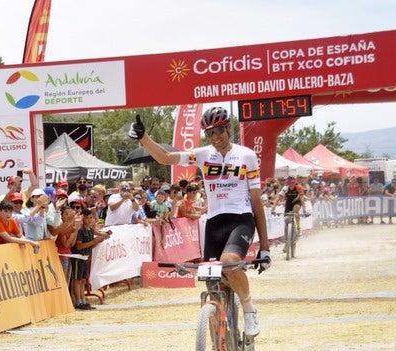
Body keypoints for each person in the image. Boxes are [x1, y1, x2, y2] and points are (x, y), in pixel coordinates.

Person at [129, 107, 271, 337]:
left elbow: (256, 200)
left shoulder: (246, 155)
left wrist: (264, 247)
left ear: (227, 128)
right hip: (214, 222)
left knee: (229, 262)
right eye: (210, 133)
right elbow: (167, 158)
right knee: (212, 283)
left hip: (241, 218)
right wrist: (144, 137)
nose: (215, 137)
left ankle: (249, 308)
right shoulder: (204, 154)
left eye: (219, 131)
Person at [72, 208, 110, 310]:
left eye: (91, 218)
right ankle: (79, 302)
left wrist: (98, 240)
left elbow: (90, 245)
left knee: (83, 280)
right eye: (87, 218)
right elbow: (79, 246)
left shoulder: (90, 230)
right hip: (78, 257)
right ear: (83, 218)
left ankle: (83, 300)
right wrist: (94, 241)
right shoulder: (80, 231)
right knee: (77, 279)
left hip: (84, 257)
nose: (89, 220)